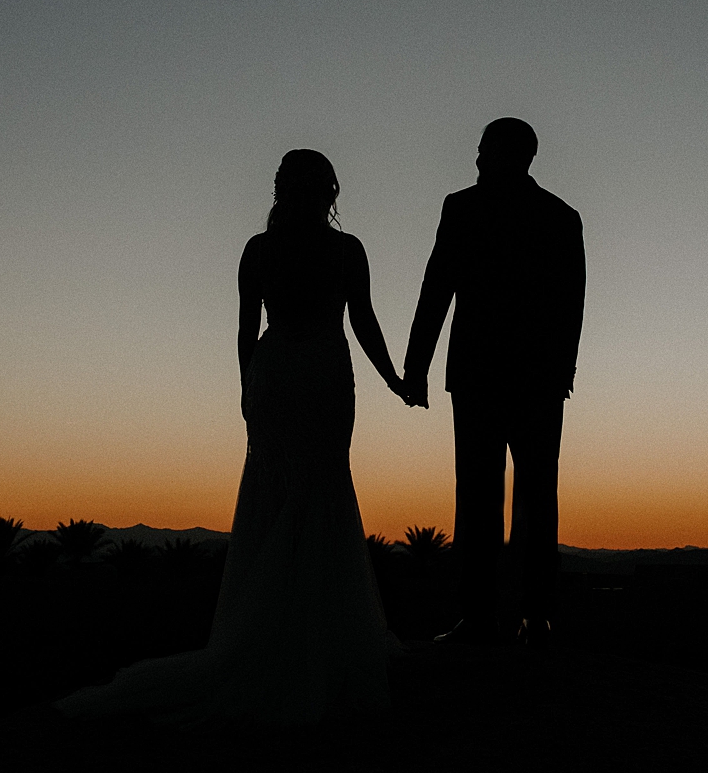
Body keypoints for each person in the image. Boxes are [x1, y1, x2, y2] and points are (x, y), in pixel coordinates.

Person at [56, 149, 404, 724]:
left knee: (279, 495)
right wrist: (392, 378)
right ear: (331, 191)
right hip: (320, 375)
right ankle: (320, 638)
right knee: (321, 492)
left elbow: (248, 330)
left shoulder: (260, 249)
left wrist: (249, 389)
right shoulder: (345, 250)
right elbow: (361, 320)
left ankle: (276, 632)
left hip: (278, 375)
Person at [401, 117, 585, 647]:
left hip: (516, 377)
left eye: (484, 150)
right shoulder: (530, 213)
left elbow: (570, 302)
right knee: (504, 496)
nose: (477, 160)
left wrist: (418, 368)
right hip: (505, 378)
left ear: (513, 156)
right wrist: (418, 367)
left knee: (515, 496)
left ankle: (519, 615)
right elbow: (438, 286)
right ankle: (498, 616)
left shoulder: (548, 216)